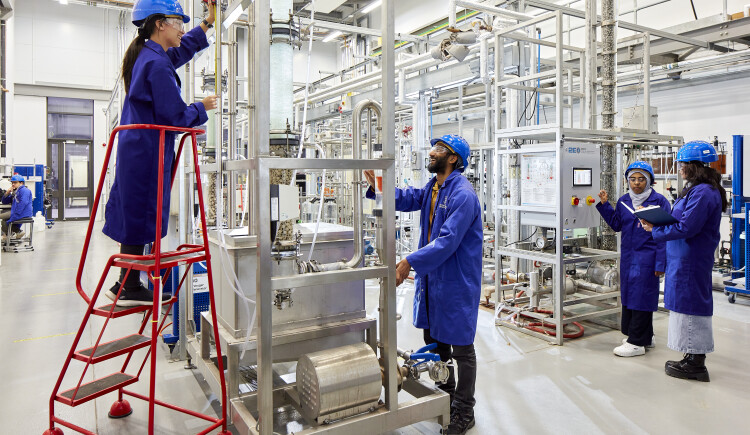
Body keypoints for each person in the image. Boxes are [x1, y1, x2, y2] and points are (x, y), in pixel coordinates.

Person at [364, 134, 482, 435]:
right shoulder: (434, 187)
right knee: (437, 340)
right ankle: (447, 398)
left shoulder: (463, 195)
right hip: (434, 278)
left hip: (456, 280)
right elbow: (406, 198)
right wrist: (377, 185)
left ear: (453, 158)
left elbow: (447, 241)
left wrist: (409, 261)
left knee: (461, 348)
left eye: (439, 149)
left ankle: (464, 412)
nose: (431, 152)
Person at [102, 0, 218, 306]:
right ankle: (128, 287)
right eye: (178, 23)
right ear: (159, 24)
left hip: (140, 148)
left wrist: (208, 22)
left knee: (137, 213)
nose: (181, 28)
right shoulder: (155, 64)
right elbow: (174, 117)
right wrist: (201, 108)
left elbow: (180, 51)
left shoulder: (151, 55)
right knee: (141, 214)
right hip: (146, 150)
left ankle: (126, 283)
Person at [640, 140, 727, 382]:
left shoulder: (703, 192)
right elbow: (683, 221)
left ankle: (697, 363)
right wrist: (656, 223)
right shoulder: (698, 189)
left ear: (694, 166)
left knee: (691, 306)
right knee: (684, 305)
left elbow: (688, 226)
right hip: (684, 257)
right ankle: (691, 356)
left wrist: (655, 231)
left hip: (690, 259)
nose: (679, 169)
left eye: (682, 164)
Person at [595, 162, 670, 357]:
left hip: (648, 257)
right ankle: (645, 336)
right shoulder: (623, 201)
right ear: (627, 181)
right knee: (630, 297)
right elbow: (617, 225)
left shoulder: (660, 201)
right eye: (633, 179)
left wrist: (661, 263)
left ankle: (636, 343)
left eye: (641, 179)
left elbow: (665, 234)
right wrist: (605, 205)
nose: (637, 183)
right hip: (628, 257)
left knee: (642, 297)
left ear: (649, 180)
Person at [1, 174, 33, 242]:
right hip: (16, 212)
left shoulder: (25, 191)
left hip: (23, 213)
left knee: (2, 216)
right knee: (4, 220)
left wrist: (16, 214)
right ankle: (14, 233)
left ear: (21, 183)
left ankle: (11, 234)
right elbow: (4, 201)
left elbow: (23, 203)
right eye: (12, 182)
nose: (13, 184)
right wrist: (7, 192)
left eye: (15, 182)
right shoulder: (16, 192)